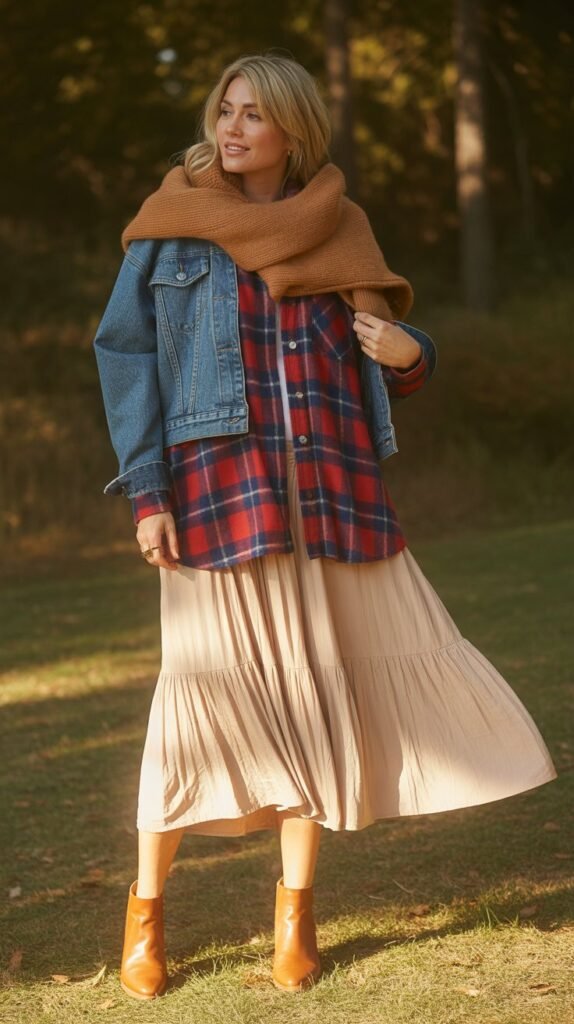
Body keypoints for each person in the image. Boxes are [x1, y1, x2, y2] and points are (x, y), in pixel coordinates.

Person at [93, 52, 557, 999]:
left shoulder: (341, 226)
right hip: (218, 495)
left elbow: (387, 349)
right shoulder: (170, 232)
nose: (232, 129)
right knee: (194, 710)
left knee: (313, 700)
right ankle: (146, 920)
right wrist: (148, 493)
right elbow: (126, 360)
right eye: (225, 109)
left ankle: (294, 919)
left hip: (327, 498)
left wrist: (410, 349)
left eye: (254, 115)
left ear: (293, 132)